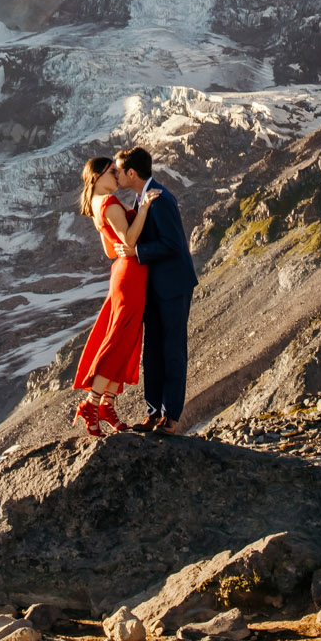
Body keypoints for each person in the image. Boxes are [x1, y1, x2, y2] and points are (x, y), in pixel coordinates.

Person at [115, 145, 194, 435]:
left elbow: (174, 244)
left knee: (172, 349)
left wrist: (137, 252)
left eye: (119, 170)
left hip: (173, 286)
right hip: (156, 288)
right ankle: (153, 412)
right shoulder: (142, 199)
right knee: (153, 351)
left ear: (132, 173)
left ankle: (170, 418)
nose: (116, 174)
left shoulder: (160, 199)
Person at [69, 155, 147, 436]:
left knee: (123, 339)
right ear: (98, 176)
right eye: (112, 172)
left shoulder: (96, 205)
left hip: (122, 272)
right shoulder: (110, 203)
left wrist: (125, 246)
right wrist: (144, 210)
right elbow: (128, 241)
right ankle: (92, 403)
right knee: (119, 340)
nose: (117, 175)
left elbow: (110, 250)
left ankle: (106, 405)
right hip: (131, 274)